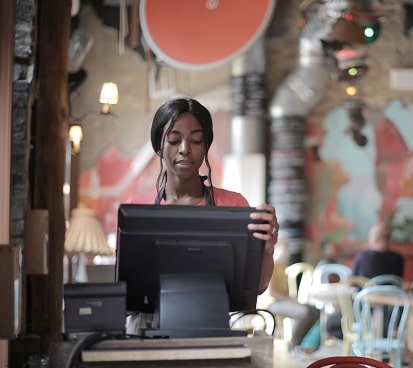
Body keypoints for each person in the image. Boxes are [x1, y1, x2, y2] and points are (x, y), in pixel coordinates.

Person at [126, 96, 279, 294]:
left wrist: (267, 249)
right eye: (173, 140)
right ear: (158, 147)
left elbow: (256, 287)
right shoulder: (135, 210)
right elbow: (128, 288)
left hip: (213, 322)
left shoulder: (235, 205)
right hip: (150, 323)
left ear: (206, 146)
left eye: (196, 140)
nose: (185, 150)